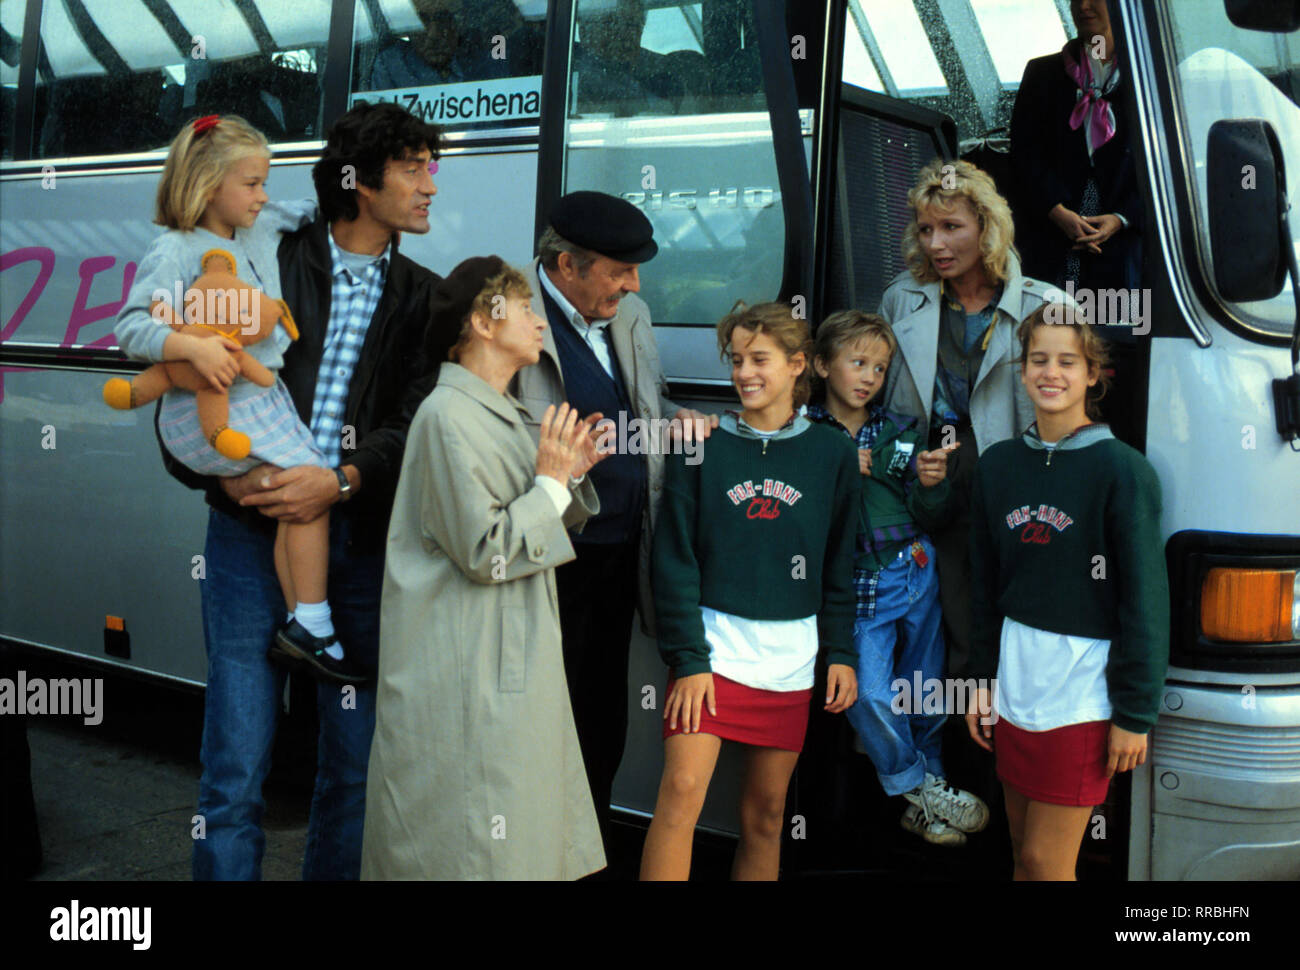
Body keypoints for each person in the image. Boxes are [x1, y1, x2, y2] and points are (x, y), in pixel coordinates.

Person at [160, 102, 444, 880]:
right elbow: (183, 396)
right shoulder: (265, 261)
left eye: (431, 167)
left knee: (353, 770)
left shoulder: (426, 296)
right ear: (358, 182)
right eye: (414, 168)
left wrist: (340, 480)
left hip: (355, 551)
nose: (430, 186)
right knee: (235, 768)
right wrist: (243, 479)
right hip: (247, 541)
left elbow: (412, 418)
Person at [362, 256, 608, 880]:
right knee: (478, 843)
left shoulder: (491, 409)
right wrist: (552, 487)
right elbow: (486, 549)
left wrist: (567, 478)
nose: (540, 324)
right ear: (481, 319)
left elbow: (521, 521)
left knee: (504, 836)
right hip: (469, 667)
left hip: (495, 658)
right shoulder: (448, 416)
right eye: (525, 310)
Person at [111, 115, 357, 684]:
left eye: (264, 181)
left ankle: (305, 623)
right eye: (250, 183)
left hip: (257, 401)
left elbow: (312, 208)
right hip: (212, 402)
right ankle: (311, 624)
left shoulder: (260, 225)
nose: (263, 194)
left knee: (300, 498)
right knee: (311, 486)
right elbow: (129, 327)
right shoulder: (173, 249)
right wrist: (189, 350)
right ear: (204, 184)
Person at [513, 190, 715, 863]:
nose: (634, 285)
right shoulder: (513, 318)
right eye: (619, 271)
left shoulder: (629, 313)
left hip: (621, 554)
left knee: (602, 716)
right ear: (566, 265)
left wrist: (681, 416)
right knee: (545, 720)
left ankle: (588, 853)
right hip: (549, 560)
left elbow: (646, 403)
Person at [640, 302, 859, 881]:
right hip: (711, 655)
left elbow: (840, 563)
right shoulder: (703, 443)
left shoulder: (831, 452)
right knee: (680, 797)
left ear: (798, 366)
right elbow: (675, 560)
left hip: (790, 661)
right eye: (736, 360)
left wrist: (840, 652)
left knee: (765, 817)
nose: (744, 373)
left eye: (759, 358)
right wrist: (687, 658)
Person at [965, 304, 1169, 880]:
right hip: (1016, 681)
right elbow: (984, 586)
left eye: (1067, 361)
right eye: (1038, 360)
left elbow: (1146, 601)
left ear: (1092, 374)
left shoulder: (1123, 471)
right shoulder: (999, 465)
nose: (1050, 373)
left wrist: (1135, 711)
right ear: (1022, 370)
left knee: (1045, 862)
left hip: (1082, 690)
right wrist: (982, 681)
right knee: (1020, 855)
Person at [879, 158, 1068, 680]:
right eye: (925, 230)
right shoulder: (901, 297)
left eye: (951, 227)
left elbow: (1071, 416)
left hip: (1015, 488)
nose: (935, 244)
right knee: (935, 626)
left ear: (987, 227)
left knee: (1014, 624)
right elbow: (884, 406)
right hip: (929, 484)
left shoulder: (1046, 304)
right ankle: (948, 749)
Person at [806, 309, 987, 847]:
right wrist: (837, 467)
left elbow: (932, 514)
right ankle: (918, 785)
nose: (868, 377)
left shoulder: (900, 430)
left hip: (917, 569)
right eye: (857, 362)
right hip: (861, 582)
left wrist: (933, 484)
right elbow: (801, 514)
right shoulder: (808, 435)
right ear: (820, 365)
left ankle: (926, 810)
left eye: (880, 368)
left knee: (923, 692)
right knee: (869, 695)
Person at [1010, 0, 1141, 296]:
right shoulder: (1043, 74)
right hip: (1050, 240)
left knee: (1113, 333)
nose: (1084, 6)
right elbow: (1023, 155)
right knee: (1046, 326)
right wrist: (1056, 210)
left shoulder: (1147, 78)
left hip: (1123, 252)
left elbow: (1165, 165)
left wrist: (1121, 219)